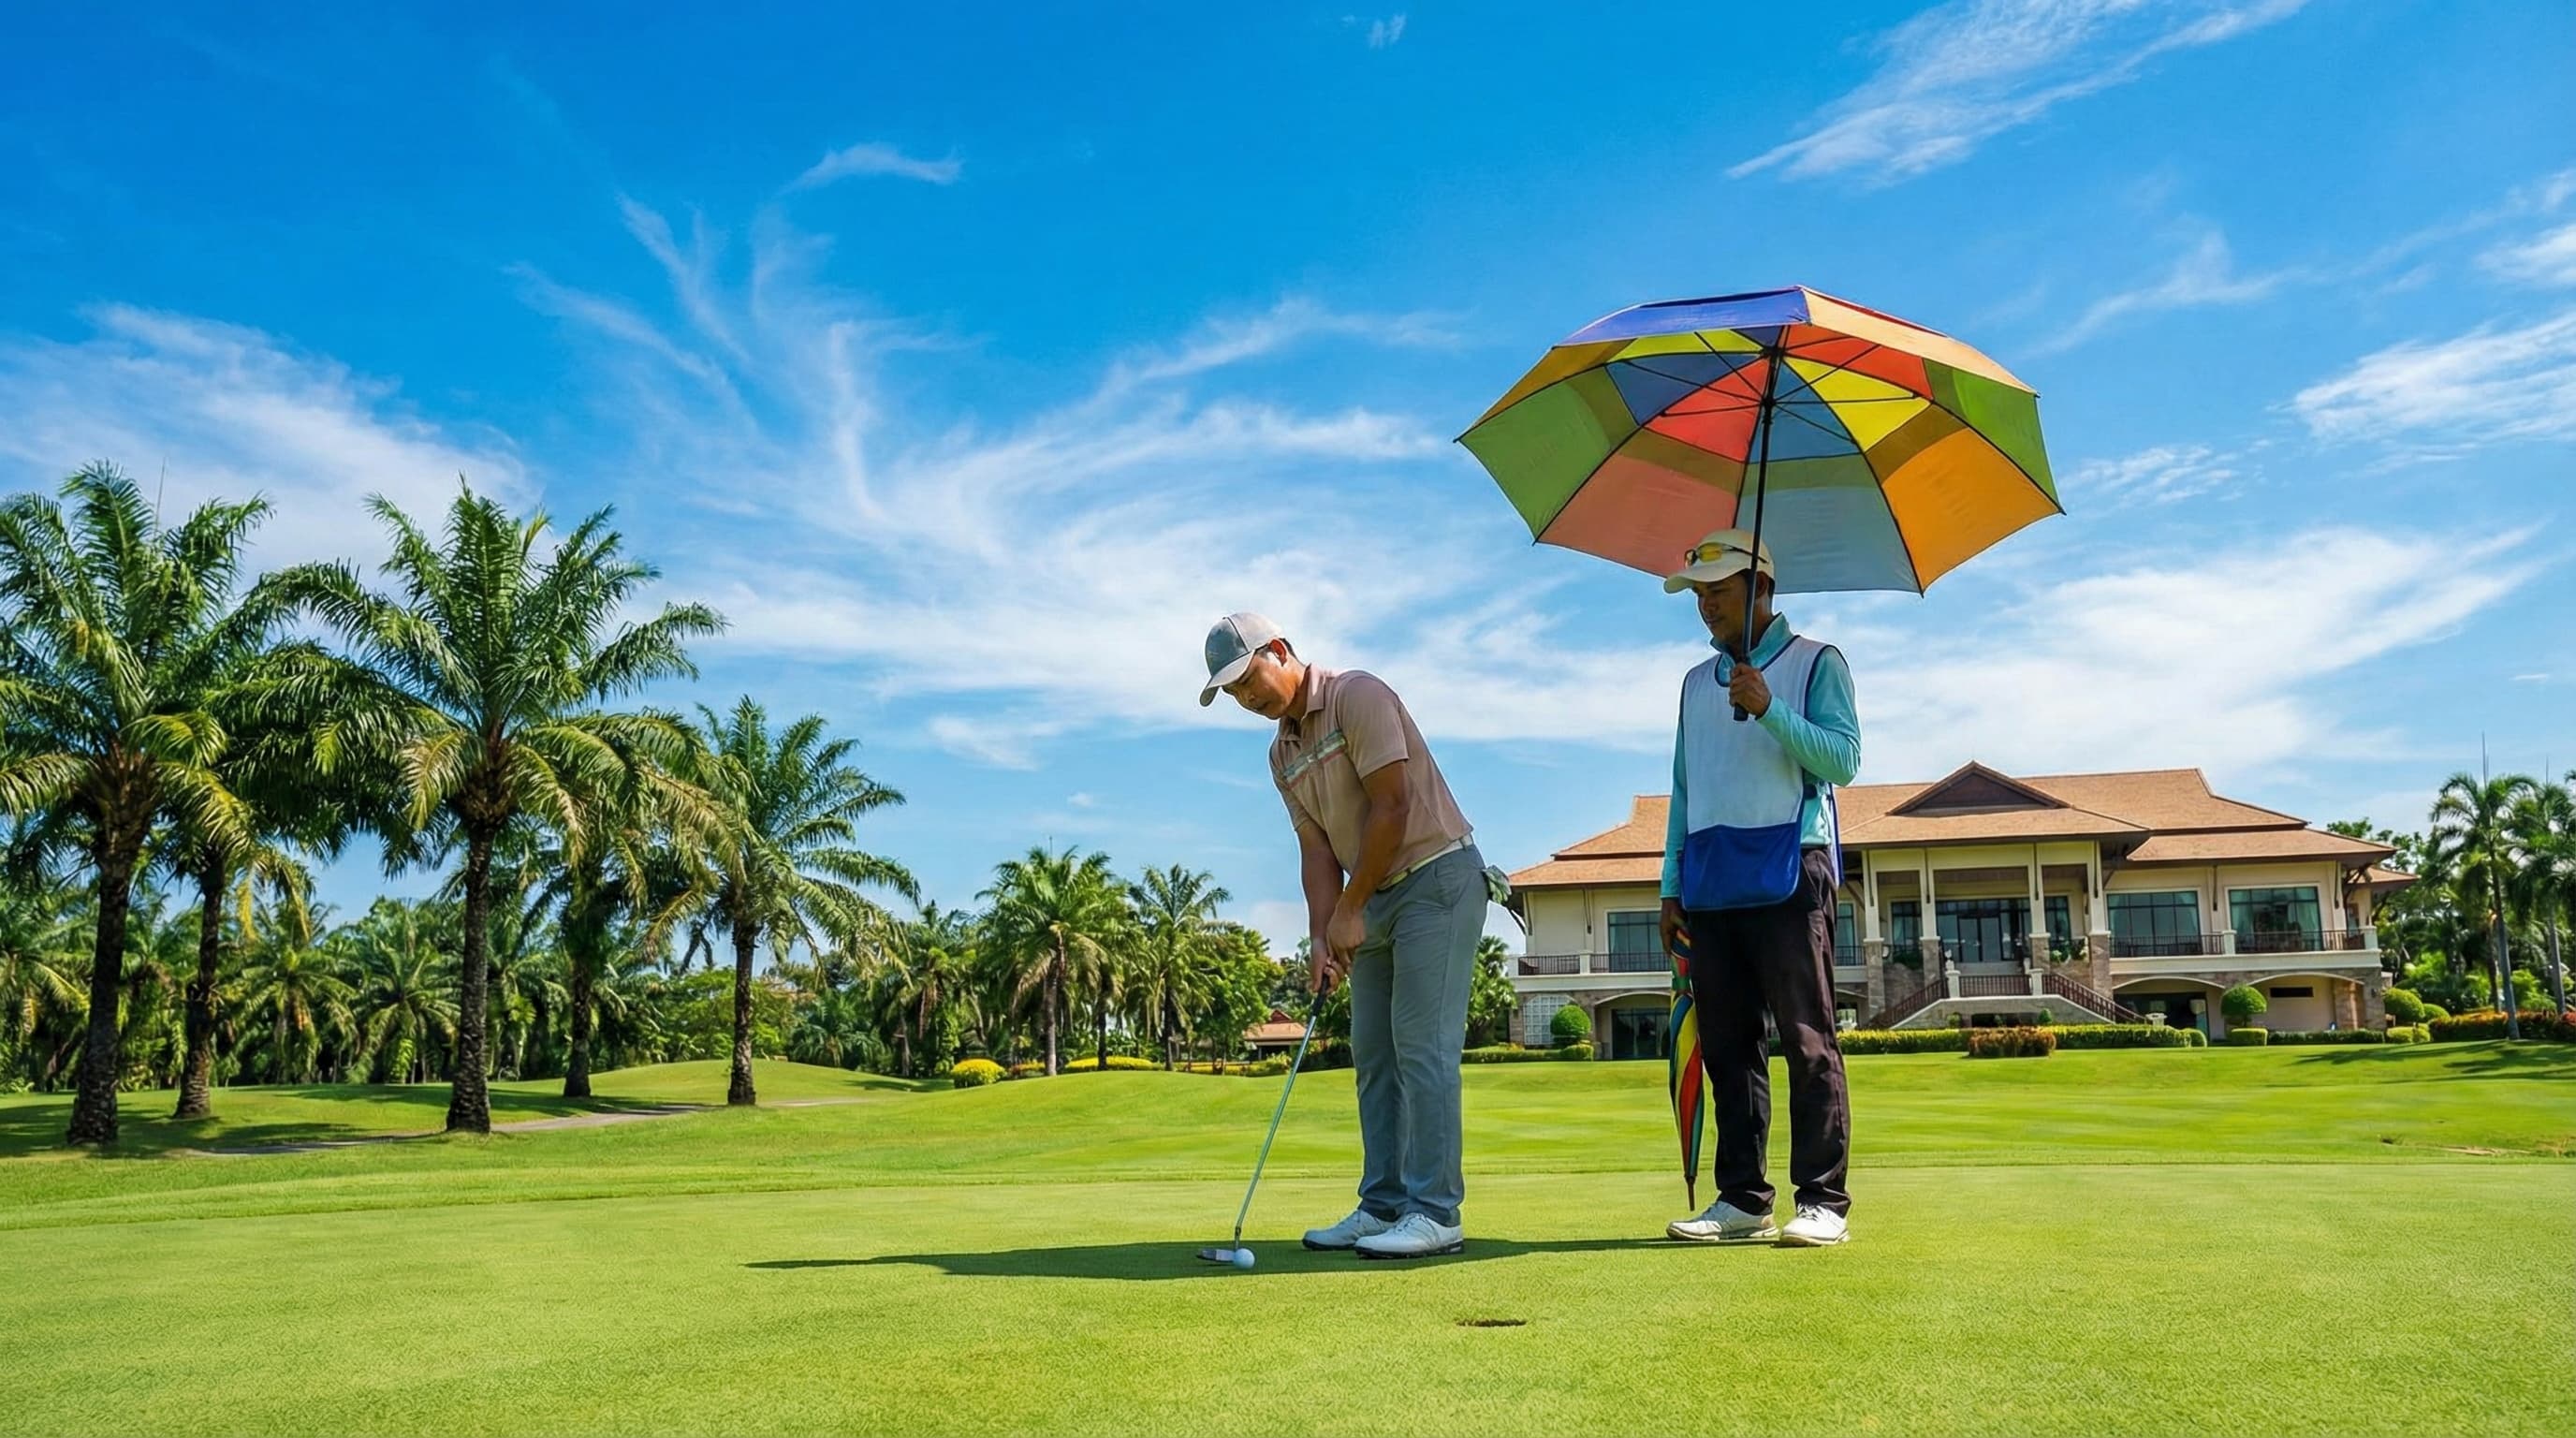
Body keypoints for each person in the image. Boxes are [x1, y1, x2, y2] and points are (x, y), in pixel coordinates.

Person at [1200, 611, 1487, 1260]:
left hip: (1437, 878)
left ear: (1278, 650)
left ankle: (1436, 1212)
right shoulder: (1282, 753)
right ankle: (1383, 1204)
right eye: (1234, 694)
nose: (1247, 699)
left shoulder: (1358, 695)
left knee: (1421, 1048)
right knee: (1374, 1055)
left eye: (1249, 680)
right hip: (1376, 895)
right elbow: (1317, 851)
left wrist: (1352, 908)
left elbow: (1394, 807)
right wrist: (1322, 938)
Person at [1655, 528, 1863, 1248]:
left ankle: (1823, 1201)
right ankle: (1743, 1199)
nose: (1706, 607)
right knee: (1727, 1047)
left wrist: (1771, 707)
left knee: (1808, 1039)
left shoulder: (1816, 664)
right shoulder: (1692, 684)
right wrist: (1669, 885)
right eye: (1699, 595)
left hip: (1791, 866)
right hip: (1711, 881)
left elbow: (1842, 761)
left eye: (1719, 591)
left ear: (1762, 589)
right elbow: (1685, 789)